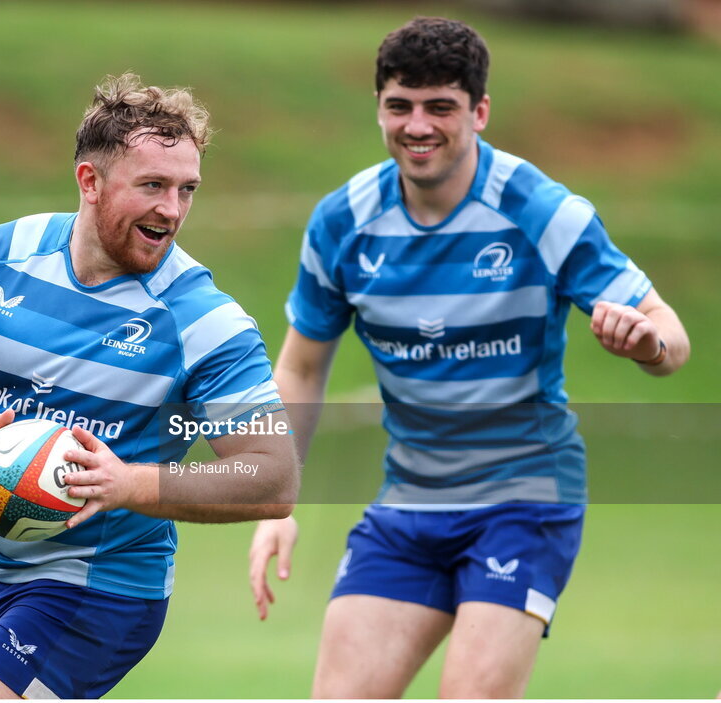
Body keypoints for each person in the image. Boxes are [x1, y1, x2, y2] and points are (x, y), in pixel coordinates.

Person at [248, 17, 689, 699]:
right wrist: (278, 500)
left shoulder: (542, 212)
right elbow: (301, 368)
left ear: (479, 112)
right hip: (411, 504)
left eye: (440, 107)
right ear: (379, 109)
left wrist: (647, 343)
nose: (417, 125)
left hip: (525, 498)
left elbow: (673, 340)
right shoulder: (342, 223)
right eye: (399, 105)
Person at [0, 73, 297, 699]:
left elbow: (274, 476)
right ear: (90, 181)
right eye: (153, 186)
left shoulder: (203, 321)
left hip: (103, 587)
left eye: (187, 189)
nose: (173, 209)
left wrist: (125, 483)